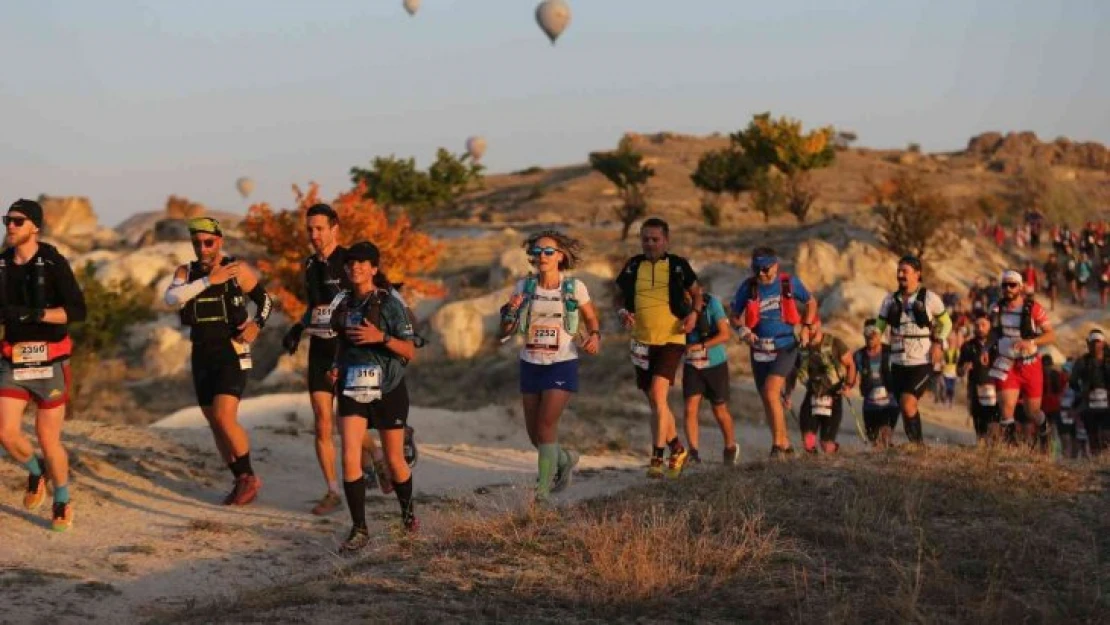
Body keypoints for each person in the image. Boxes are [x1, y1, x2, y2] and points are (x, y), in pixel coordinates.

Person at [280, 204, 412, 514]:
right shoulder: (310, 265)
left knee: (348, 423)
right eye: (309, 229)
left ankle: (380, 455)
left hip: (353, 352)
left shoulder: (350, 261)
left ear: (335, 228)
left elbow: (384, 293)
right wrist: (298, 327)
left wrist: (387, 332)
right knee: (323, 422)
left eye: (320, 228)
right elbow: (316, 308)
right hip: (320, 349)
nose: (314, 235)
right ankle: (332, 491)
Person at [164, 217, 272, 505]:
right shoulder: (186, 272)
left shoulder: (237, 270)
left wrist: (257, 325)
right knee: (214, 422)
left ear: (219, 241)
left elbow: (265, 301)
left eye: (208, 242)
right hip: (201, 352)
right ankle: (240, 479)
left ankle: (249, 476)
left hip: (230, 350)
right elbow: (172, 298)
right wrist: (209, 281)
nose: (202, 248)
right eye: (197, 243)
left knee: (225, 416)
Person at [0, 199, 86, 532]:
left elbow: (78, 311)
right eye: (7, 220)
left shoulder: (52, 262)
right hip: (14, 359)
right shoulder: (2, 264)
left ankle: (62, 499)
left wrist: (35, 315)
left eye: (18, 221)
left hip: (51, 361)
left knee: (48, 438)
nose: (10, 226)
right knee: (6, 432)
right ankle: (37, 472)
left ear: (35, 226)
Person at [328, 242, 419, 551]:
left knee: (394, 461)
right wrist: (335, 367)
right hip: (352, 387)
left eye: (363, 263)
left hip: (389, 389)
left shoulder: (390, 303)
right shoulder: (341, 303)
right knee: (349, 454)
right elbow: (340, 344)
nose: (355, 267)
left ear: (374, 268)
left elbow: (409, 351)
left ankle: (408, 518)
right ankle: (359, 529)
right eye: (351, 263)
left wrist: (379, 337)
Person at [499, 230, 600, 502]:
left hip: (561, 364)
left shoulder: (574, 288)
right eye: (537, 252)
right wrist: (511, 311)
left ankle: (542, 492)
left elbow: (591, 318)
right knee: (536, 435)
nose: (541, 257)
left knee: (546, 425)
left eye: (548, 252)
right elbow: (505, 329)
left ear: (561, 256)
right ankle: (566, 459)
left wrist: (594, 336)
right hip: (530, 363)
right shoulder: (523, 288)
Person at [615, 218, 702, 478]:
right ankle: (677, 448)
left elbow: (697, 292)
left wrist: (694, 315)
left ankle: (656, 458)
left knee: (657, 392)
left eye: (655, 239)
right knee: (656, 401)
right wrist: (623, 311)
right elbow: (620, 296)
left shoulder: (678, 265)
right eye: (645, 239)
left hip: (672, 338)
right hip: (641, 341)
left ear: (666, 240)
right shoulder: (632, 265)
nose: (649, 244)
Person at [730, 247, 818, 458]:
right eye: (757, 269)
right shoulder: (748, 287)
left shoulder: (789, 283)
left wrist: (806, 326)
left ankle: (777, 445)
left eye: (766, 269)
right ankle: (786, 445)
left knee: (771, 391)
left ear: (776, 266)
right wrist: (742, 330)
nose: (761, 274)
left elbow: (810, 302)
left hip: (785, 346)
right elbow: (734, 315)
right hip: (759, 349)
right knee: (768, 399)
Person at [874, 255, 952, 446]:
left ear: (917, 274)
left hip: (922, 361)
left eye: (905, 271)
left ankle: (917, 447)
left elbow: (946, 323)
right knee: (901, 405)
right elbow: (880, 326)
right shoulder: (889, 300)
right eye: (899, 271)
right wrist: (875, 335)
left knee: (908, 402)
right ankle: (914, 447)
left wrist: (938, 342)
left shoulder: (930, 298)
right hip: (898, 361)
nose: (900, 275)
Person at [988, 270, 1055, 446]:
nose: (1008, 289)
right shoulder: (996, 308)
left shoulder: (1033, 308)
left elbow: (1050, 335)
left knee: (1032, 411)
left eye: (1012, 285)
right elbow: (993, 332)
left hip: (1030, 364)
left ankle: (1044, 434)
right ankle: (1012, 449)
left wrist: (1030, 341)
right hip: (1006, 362)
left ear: (1021, 287)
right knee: (1006, 408)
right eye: (1005, 285)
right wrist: (985, 349)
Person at [679, 283, 738, 465]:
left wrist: (702, 346)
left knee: (719, 410)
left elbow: (725, 334)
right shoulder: (676, 305)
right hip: (692, 364)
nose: (687, 297)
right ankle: (694, 453)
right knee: (690, 408)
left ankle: (730, 447)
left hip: (715, 363)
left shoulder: (712, 303)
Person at [793, 321, 855, 455]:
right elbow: (793, 372)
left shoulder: (835, 343)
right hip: (812, 396)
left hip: (833, 396)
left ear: (818, 323)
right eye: (805, 326)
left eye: (811, 325)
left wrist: (849, 385)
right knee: (808, 442)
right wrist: (787, 394)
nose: (808, 329)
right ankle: (814, 468)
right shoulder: (801, 348)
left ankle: (837, 456)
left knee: (826, 445)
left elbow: (850, 364)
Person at [854, 319, 898, 447]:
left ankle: (888, 457)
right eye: (867, 332)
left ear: (880, 334)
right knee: (874, 440)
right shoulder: (858, 356)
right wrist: (846, 386)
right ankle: (878, 463)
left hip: (890, 403)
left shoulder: (891, 352)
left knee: (885, 434)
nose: (871, 335)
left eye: (875, 332)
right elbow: (851, 377)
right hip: (870, 405)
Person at [957, 311, 1000, 443]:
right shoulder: (968, 346)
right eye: (977, 325)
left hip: (995, 389)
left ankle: (995, 451)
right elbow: (958, 371)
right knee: (979, 423)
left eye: (983, 325)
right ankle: (981, 450)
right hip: (975, 390)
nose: (980, 328)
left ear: (990, 325)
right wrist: (964, 368)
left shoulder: (997, 344)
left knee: (994, 425)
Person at [1068, 330, 1109, 457]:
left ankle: (1106, 459)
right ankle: (1097, 459)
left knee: (1106, 435)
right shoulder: (1082, 362)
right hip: (1089, 405)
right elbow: (1073, 382)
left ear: (1103, 343)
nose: (1095, 345)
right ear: (1088, 343)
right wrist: (1082, 392)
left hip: (1108, 404)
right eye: (1092, 343)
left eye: (1098, 342)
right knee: (1092, 435)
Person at [1040, 355, 1068, 457]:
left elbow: (1064, 385)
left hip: (1052, 407)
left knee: (1058, 431)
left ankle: (1060, 453)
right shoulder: (1054, 374)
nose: (1046, 368)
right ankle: (1049, 453)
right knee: (1048, 432)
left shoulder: (1055, 375)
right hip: (1047, 407)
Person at [941, 339, 959, 408]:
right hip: (946, 372)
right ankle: (947, 400)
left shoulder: (956, 351)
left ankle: (950, 401)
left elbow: (958, 362)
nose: (951, 344)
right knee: (948, 387)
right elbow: (942, 361)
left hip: (954, 373)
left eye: (953, 343)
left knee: (952, 388)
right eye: (950, 343)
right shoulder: (945, 352)